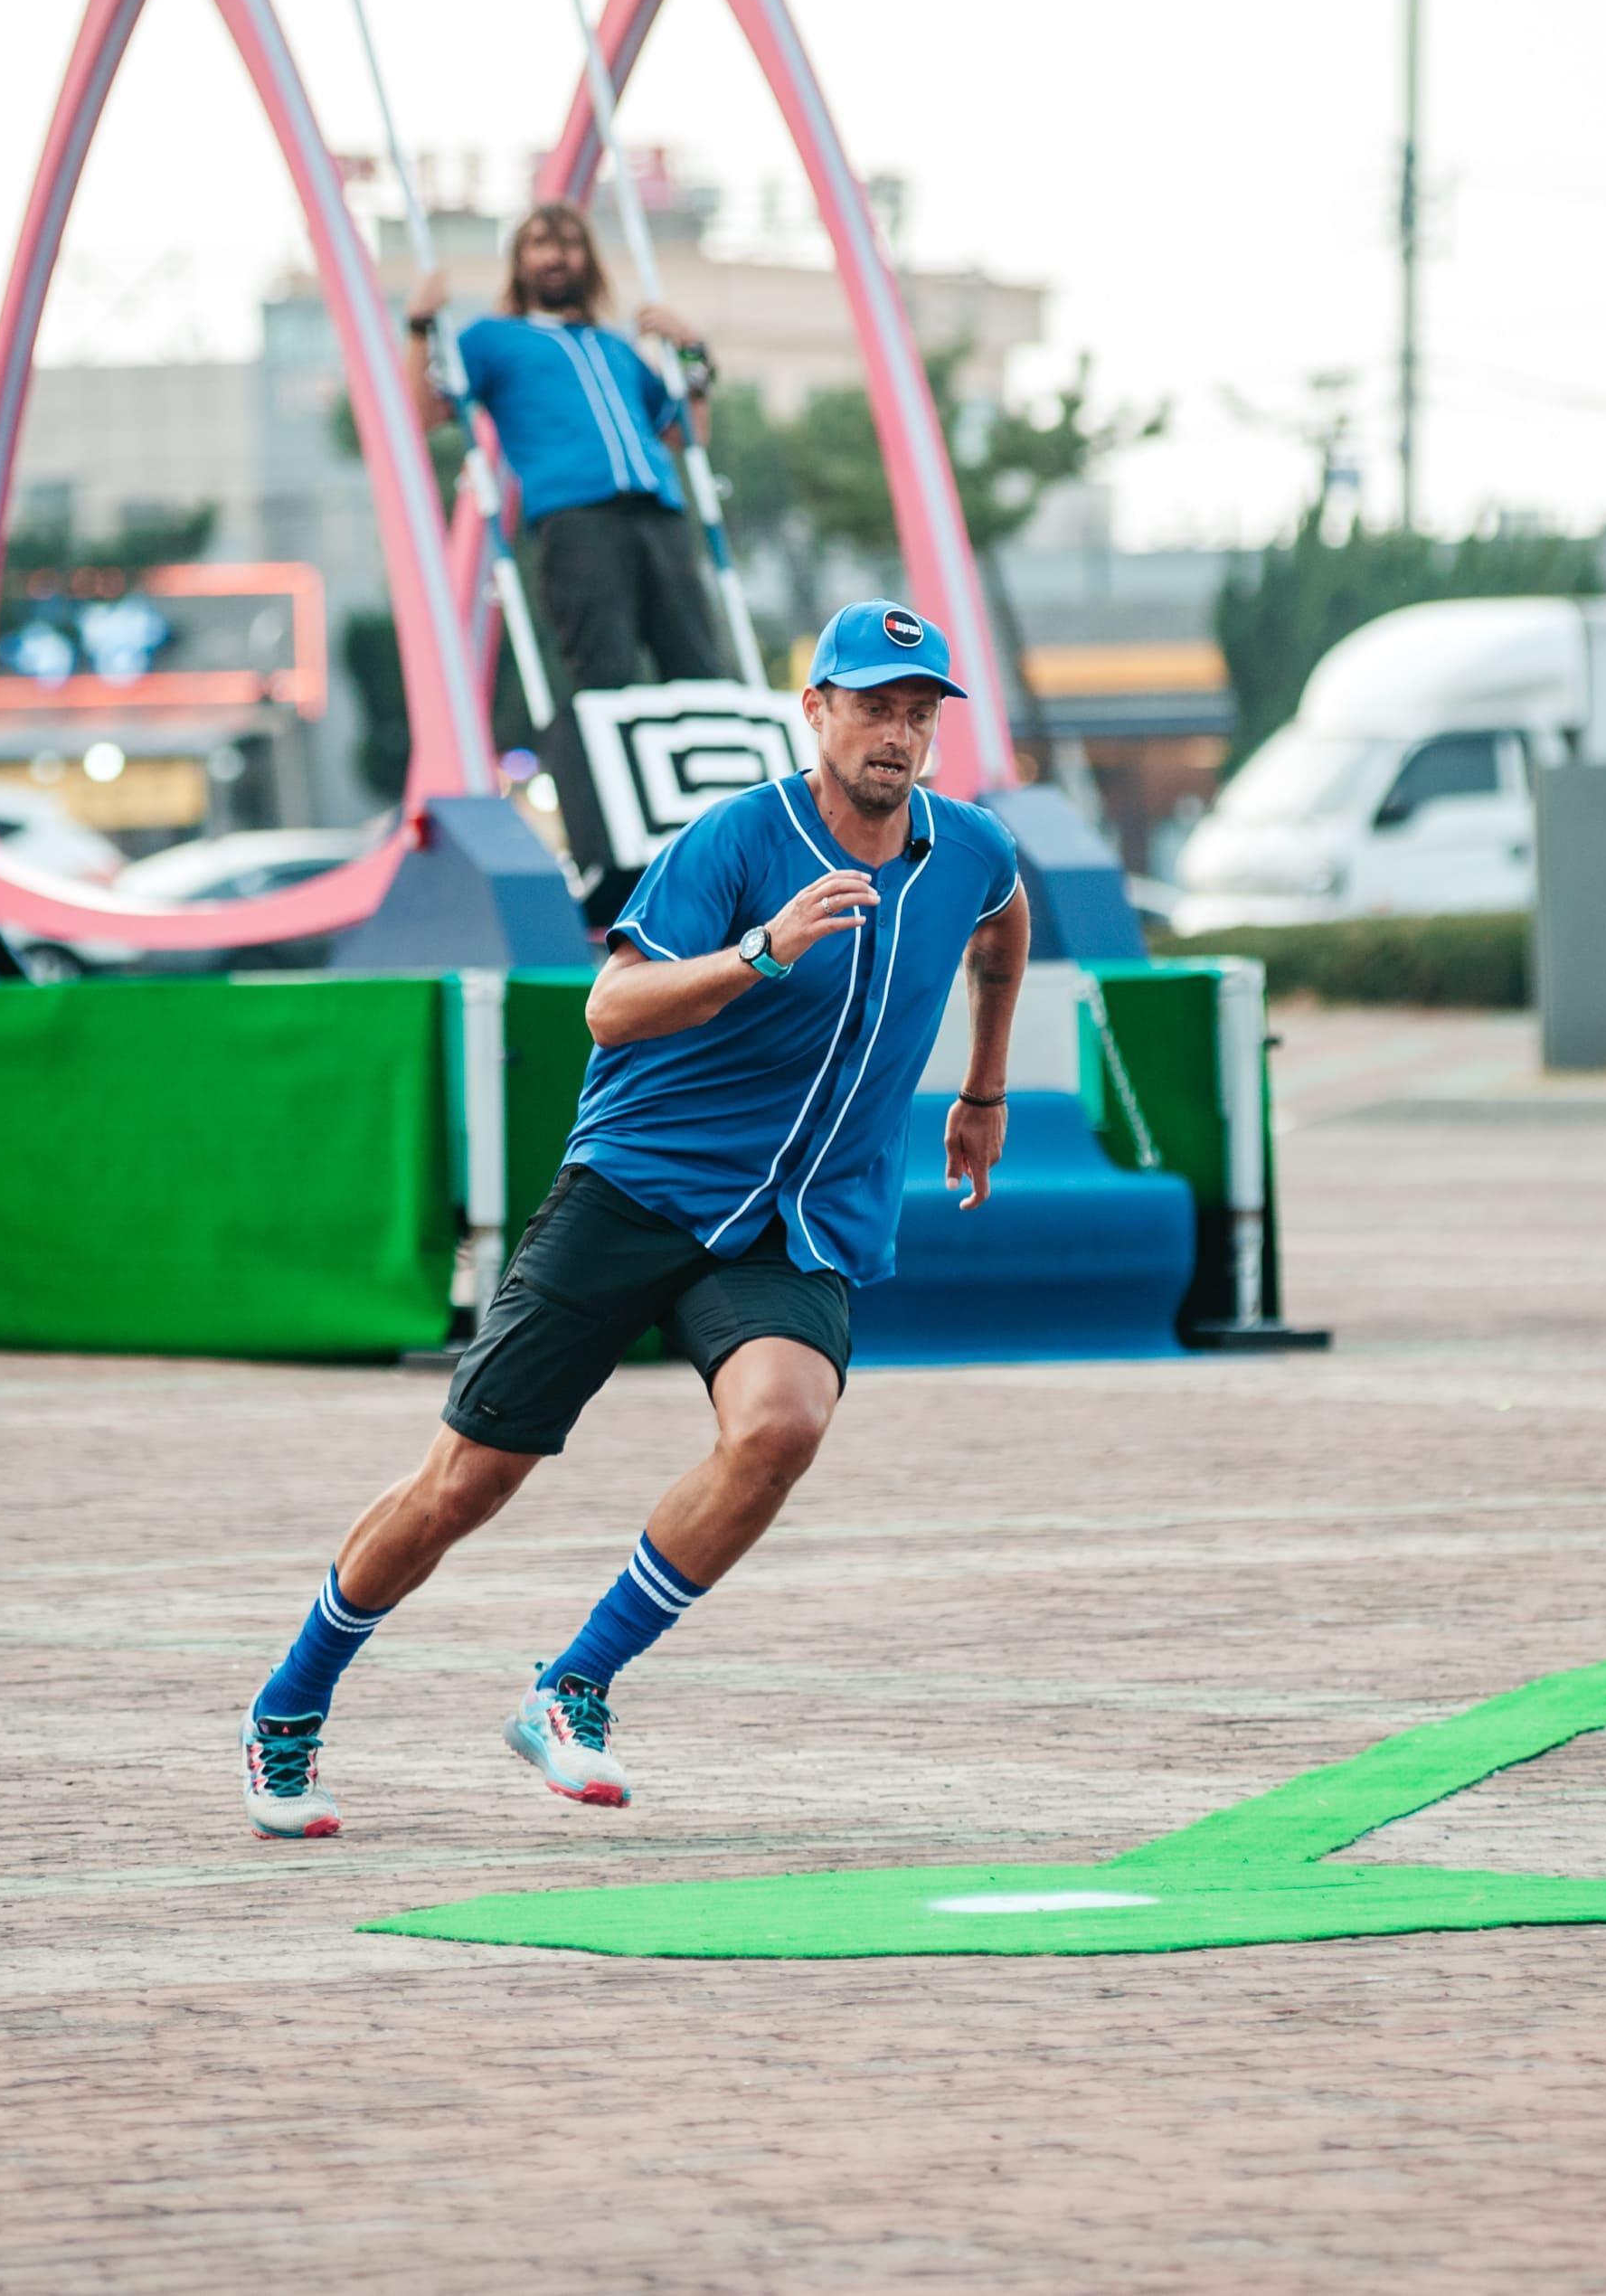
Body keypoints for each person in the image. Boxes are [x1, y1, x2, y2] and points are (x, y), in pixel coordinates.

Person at [240, 598, 1032, 1837]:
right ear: (814, 709)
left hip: (796, 1217)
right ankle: (288, 1702)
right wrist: (760, 953)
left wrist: (983, 1090)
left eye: (919, 713)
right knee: (466, 1482)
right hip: (639, 1185)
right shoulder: (734, 840)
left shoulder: (967, 848)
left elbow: (1005, 921)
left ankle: (572, 1686)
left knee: (780, 1427)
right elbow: (609, 1009)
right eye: (873, 706)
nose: (897, 734)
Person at [408, 201, 726, 703]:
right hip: (577, 520)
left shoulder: (615, 347)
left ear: (589, 259)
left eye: (570, 244)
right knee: (606, 673)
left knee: (699, 667)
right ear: (519, 260)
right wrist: (419, 326)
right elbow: (423, 414)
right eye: (540, 243)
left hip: (659, 512)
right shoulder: (492, 338)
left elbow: (687, 433)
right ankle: (604, 758)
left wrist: (691, 348)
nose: (555, 256)